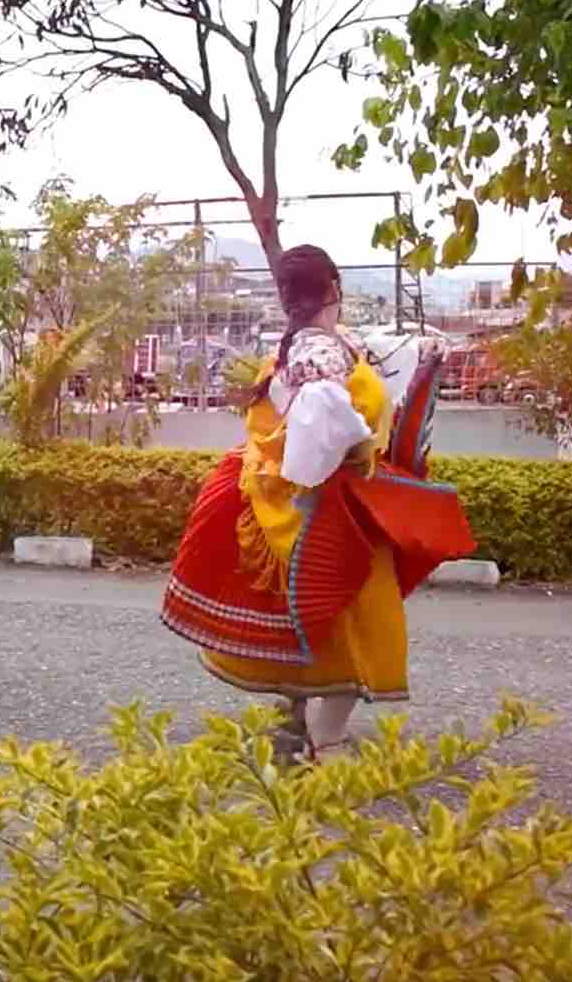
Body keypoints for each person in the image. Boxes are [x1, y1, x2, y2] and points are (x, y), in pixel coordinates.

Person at [160, 244, 477, 763]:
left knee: (312, 618)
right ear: (334, 288)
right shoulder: (318, 353)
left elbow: (360, 360)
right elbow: (321, 423)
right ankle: (325, 742)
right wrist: (358, 446)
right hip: (326, 508)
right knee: (358, 619)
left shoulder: (315, 344)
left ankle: (300, 726)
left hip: (295, 496)